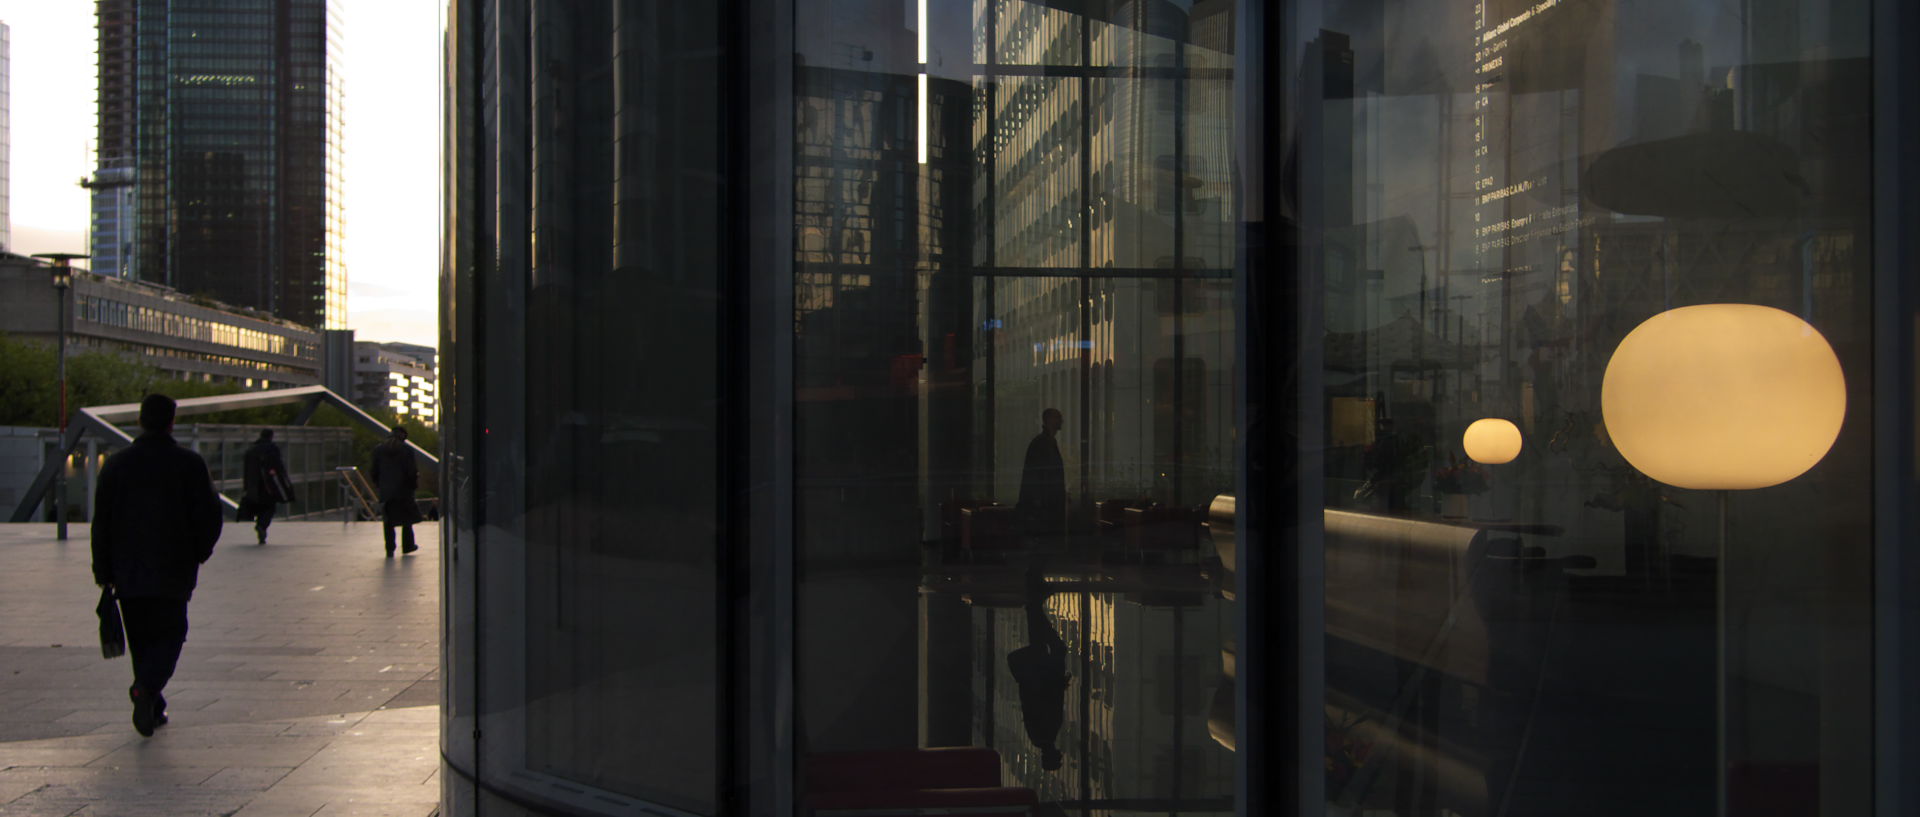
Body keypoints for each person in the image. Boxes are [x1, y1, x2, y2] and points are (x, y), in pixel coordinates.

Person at [90, 394, 223, 737]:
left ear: (140, 420)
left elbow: (101, 522)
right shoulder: (188, 464)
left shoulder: (116, 465)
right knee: (171, 634)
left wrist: (103, 570)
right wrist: (199, 551)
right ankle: (146, 690)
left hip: (127, 569)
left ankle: (152, 703)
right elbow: (209, 515)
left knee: (142, 639)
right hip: (172, 567)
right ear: (171, 422)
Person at [1007, 565, 1068, 771]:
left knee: (1054, 646)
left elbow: (1045, 702)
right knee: (1043, 642)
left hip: (1042, 676)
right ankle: (1035, 601)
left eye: (1057, 758)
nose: (1060, 754)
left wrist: (1058, 683)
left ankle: (1034, 602)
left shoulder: (1045, 735)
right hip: (1039, 676)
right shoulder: (1040, 738)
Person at [369, 426, 422, 557]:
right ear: (403, 436)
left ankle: (390, 548)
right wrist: (413, 486)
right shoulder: (407, 450)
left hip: (386, 491)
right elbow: (411, 471)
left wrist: (379, 485)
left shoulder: (379, 450)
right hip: (404, 491)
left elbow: (374, 471)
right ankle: (408, 546)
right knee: (407, 520)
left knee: (388, 521)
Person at [1017, 408, 1068, 539]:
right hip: (1045, 504)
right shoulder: (1043, 443)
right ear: (1050, 420)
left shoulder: (1043, 442)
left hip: (1045, 502)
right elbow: (1038, 474)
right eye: (1058, 417)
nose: (1061, 421)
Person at [240, 429, 292, 544]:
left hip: (253, 485)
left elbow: (246, 469)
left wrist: (246, 486)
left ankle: (260, 525)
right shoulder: (272, 449)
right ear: (271, 436)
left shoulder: (251, 449)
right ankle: (262, 525)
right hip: (269, 484)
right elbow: (278, 466)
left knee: (259, 506)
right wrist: (284, 482)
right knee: (270, 507)